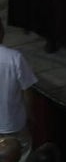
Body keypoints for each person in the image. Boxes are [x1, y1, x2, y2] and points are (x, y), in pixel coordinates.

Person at [0, 19, 34, 159]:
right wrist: (29, 114)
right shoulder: (14, 58)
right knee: (22, 155)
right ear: (2, 33)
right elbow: (27, 91)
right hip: (13, 124)